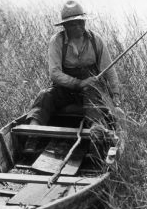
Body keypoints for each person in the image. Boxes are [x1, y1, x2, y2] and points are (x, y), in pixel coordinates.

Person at [25, 0, 121, 151]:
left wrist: (115, 94)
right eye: (73, 24)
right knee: (45, 96)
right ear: (65, 26)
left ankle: (96, 137)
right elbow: (55, 74)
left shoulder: (96, 40)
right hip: (66, 90)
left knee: (93, 91)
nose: (79, 26)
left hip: (91, 92)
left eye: (80, 22)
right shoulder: (57, 41)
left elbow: (109, 69)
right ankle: (32, 137)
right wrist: (78, 83)